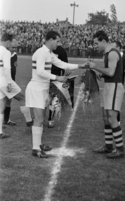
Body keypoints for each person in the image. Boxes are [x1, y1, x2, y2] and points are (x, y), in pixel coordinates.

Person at [25, 30, 86, 158]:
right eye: (57, 41)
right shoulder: (41, 53)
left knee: (40, 119)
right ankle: (35, 149)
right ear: (50, 39)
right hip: (36, 89)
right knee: (39, 119)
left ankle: (38, 145)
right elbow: (40, 72)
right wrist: (56, 77)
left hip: (42, 89)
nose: (58, 44)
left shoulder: (49, 53)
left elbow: (62, 64)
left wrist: (80, 66)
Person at [88, 30, 125, 159]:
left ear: (103, 41)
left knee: (112, 117)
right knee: (106, 117)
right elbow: (107, 74)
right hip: (109, 86)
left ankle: (120, 149)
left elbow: (110, 72)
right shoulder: (107, 53)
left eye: (96, 43)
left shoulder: (113, 53)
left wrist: (96, 67)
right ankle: (108, 146)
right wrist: (96, 72)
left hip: (114, 86)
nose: (95, 46)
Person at [0, 33, 33, 139]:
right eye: (11, 42)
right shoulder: (6, 52)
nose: (12, 45)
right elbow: (7, 69)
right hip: (5, 80)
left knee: (2, 105)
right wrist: (9, 82)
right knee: (22, 98)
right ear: (8, 41)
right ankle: (30, 123)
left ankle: (0, 132)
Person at [48, 44, 75, 128]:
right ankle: (39, 117)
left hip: (57, 77)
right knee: (44, 98)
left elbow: (65, 64)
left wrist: (65, 76)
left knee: (53, 98)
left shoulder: (62, 51)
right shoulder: (45, 50)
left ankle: (50, 119)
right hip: (45, 76)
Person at [113, 41, 125, 125]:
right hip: (111, 84)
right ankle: (115, 123)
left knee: (116, 106)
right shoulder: (112, 57)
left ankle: (117, 124)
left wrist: (124, 87)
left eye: (114, 47)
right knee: (112, 106)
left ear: (119, 48)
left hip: (119, 84)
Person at [4, 39, 18, 125]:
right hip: (4, 80)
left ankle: (6, 120)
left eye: (16, 47)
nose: (15, 49)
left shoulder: (15, 55)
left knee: (8, 100)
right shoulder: (3, 54)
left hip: (12, 80)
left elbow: (14, 67)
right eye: (13, 47)